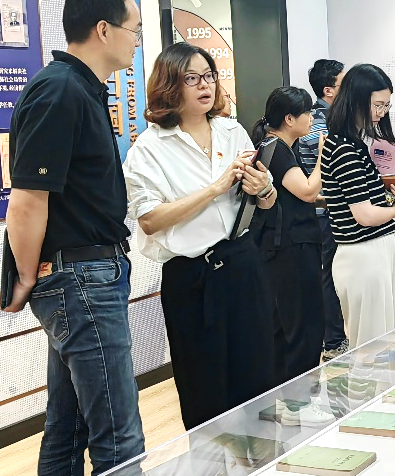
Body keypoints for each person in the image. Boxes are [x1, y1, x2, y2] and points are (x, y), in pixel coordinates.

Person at [0, 0, 147, 476]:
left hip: (87, 276)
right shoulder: (59, 89)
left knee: (69, 429)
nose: (138, 41)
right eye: (134, 29)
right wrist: (28, 277)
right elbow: (27, 199)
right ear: (103, 29)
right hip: (79, 280)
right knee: (118, 434)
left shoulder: (80, 89)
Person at [123, 43, 277, 431]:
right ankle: (211, 469)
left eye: (209, 75)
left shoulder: (232, 131)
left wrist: (263, 189)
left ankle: (263, 462)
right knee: (204, 388)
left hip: (242, 263)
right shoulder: (149, 148)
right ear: (169, 85)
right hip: (192, 278)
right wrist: (215, 188)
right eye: (192, 78)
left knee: (259, 377)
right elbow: (150, 220)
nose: (204, 85)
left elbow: (267, 200)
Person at [252, 86, 332, 424]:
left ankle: (287, 401)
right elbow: (308, 191)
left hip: (290, 245)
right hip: (289, 247)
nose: (312, 119)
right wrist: (323, 155)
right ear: (289, 118)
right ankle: (299, 403)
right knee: (302, 324)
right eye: (307, 113)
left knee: (289, 324)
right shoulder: (277, 150)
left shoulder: (281, 147)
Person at [320, 64, 395, 347]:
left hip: (373, 251)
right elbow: (365, 215)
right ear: (356, 99)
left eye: (386, 105)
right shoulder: (344, 148)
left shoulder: (354, 143)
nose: (382, 112)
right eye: (378, 105)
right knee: (371, 349)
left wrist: (389, 196)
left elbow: (363, 200)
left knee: (385, 343)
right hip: (362, 254)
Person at [296, 58, 349, 359]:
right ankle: (333, 341)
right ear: (329, 90)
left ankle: (330, 338)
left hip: (323, 211)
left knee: (327, 275)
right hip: (323, 211)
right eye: (344, 83)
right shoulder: (321, 126)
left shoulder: (323, 119)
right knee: (328, 276)